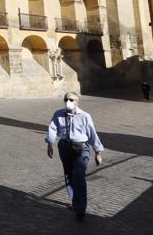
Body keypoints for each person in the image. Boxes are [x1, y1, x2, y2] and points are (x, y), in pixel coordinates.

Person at [46, 92, 104, 220]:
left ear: (77, 102)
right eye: (66, 99)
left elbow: (92, 134)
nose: (68, 101)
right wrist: (50, 144)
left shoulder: (85, 116)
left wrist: (98, 152)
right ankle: (75, 201)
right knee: (69, 174)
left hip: (81, 148)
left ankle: (80, 208)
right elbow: (52, 128)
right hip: (64, 146)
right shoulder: (58, 114)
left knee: (79, 175)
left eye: (71, 99)